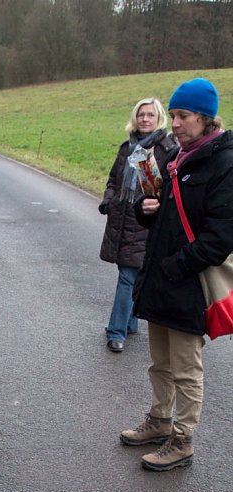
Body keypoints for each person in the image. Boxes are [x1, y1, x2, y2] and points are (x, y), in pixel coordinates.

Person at [120, 78, 233, 471]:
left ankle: (182, 440)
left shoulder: (224, 163)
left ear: (205, 118)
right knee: (160, 363)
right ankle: (159, 420)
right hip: (162, 282)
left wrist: (174, 268)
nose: (176, 123)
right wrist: (143, 211)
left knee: (186, 370)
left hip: (188, 285)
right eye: (175, 115)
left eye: (183, 116)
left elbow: (219, 239)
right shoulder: (178, 159)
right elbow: (165, 216)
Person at [99, 98, 177, 353]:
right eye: (141, 114)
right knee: (130, 274)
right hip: (121, 220)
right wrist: (108, 201)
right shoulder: (127, 148)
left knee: (128, 276)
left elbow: (161, 190)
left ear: (159, 118)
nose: (145, 119)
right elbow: (113, 179)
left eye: (150, 115)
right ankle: (129, 322)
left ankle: (116, 331)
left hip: (145, 221)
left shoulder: (166, 148)